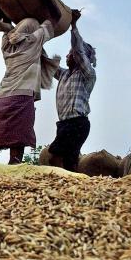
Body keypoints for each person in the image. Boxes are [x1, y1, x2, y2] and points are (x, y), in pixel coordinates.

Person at [0, 18, 60, 164]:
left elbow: (8, 30)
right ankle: (12, 180)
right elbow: (54, 18)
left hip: (2, 99)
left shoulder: (6, 45)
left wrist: (7, 24)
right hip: (21, 98)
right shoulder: (33, 42)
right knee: (17, 148)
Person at [48, 10, 97, 171]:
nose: (67, 55)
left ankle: (62, 184)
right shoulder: (64, 74)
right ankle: (72, 186)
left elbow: (78, 50)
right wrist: (36, 40)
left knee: (55, 157)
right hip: (64, 124)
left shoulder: (87, 74)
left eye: (70, 53)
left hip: (77, 123)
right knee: (69, 160)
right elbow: (47, 63)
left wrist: (74, 25)